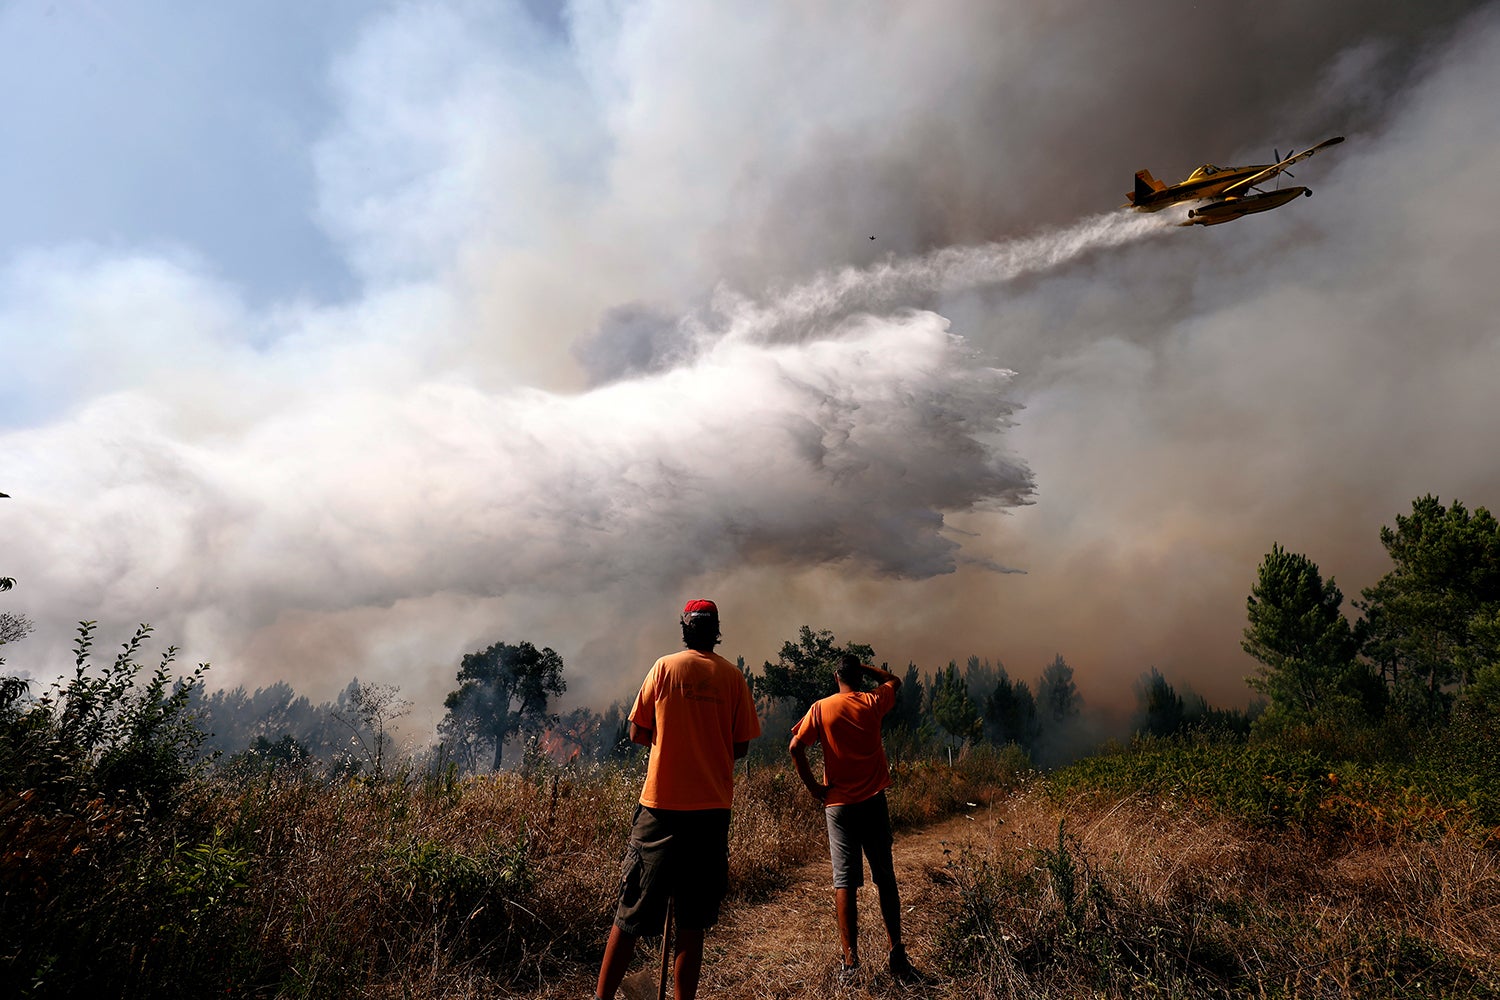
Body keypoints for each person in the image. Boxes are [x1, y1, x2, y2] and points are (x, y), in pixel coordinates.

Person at [595, 599, 761, 1000]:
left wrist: (670, 737)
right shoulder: (733, 678)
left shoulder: (664, 667)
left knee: (630, 912)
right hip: (711, 812)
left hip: (660, 811)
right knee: (692, 923)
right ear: (716, 630)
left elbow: (636, 733)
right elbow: (740, 747)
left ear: (685, 629)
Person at [789, 652, 920, 981]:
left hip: (839, 805)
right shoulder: (873, 702)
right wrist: (863, 668)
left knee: (844, 881)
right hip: (873, 801)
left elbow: (795, 747)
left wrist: (813, 788)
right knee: (885, 878)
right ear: (860, 677)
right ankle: (897, 955)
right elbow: (894, 681)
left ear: (836, 677)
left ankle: (851, 963)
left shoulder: (821, 708)